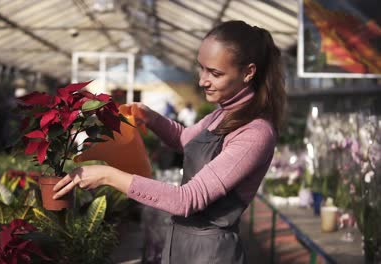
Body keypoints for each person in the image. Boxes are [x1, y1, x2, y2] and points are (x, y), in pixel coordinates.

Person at [53, 20, 286, 263]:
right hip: (181, 243)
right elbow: (184, 139)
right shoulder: (222, 114)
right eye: (201, 68)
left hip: (209, 253)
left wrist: (106, 175)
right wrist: (150, 117)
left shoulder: (254, 133)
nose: (202, 81)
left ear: (249, 72)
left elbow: (187, 199)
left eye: (215, 73)